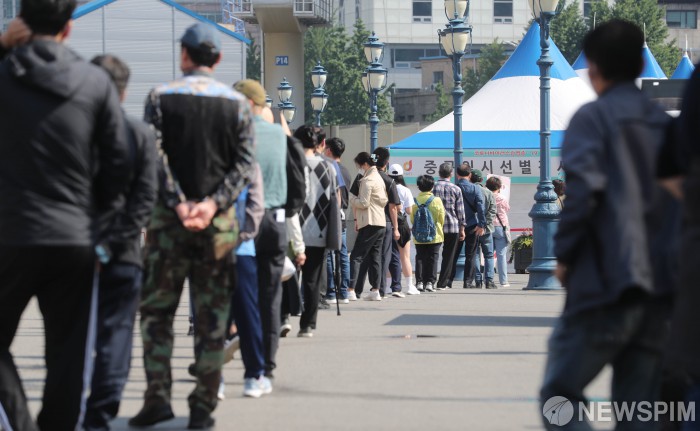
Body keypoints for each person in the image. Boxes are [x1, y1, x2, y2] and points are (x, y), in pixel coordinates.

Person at [0, 1, 130, 429]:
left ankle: (21, 423)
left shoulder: (5, 73)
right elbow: (118, 168)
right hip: (74, 236)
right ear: (69, 28)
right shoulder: (95, 83)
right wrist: (101, 232)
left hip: (11, 233)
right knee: (68, 355)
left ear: (21, 21)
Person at [540, 20, 674, 430]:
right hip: (662, 285)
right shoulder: (666, 125)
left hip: (606, 278)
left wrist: (565, 255)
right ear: (641, 65)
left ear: (593, 67)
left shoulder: (592, 119)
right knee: (640, 409)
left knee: (559, 394)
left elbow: (584, 194)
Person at [131, 23, 255, 429]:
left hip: (168, 225)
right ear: (217, 59)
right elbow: (243, 165)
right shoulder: (238, 105)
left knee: (157, 314)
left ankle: (157, 398)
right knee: (212, 316)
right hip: (218, 226)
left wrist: (178, 201)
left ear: (184, 54)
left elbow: (154, 156)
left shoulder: (159, 97)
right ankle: (202, 406)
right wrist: (212, 203)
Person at [85, 54, 158, 431]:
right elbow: (146, 199)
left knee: (70, 336)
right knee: (117, 335)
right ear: (124, 91)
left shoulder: (70, 129)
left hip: (75, 249)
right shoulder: (141, 135)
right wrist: (114, 243)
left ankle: (73, 409)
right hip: (125, 251)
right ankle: (100, 412)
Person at [232, 79, 288, 381]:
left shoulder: (231, 133)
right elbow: (297, 179)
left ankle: (232, 342)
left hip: (240, 221)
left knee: (235, 290)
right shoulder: (280, 135)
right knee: (270, 295)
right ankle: (267, 364)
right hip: (275, 220)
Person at [228, 163, 272, 398]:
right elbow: (256, 207)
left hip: (207, 250)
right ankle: (254, 375)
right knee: (248, 314)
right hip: (241, 248)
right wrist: (243, 235)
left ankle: (213, 379)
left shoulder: (199, 157)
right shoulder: (247, 163)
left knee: (209, 317)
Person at [295, 125, 337, 337]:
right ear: (320, 144)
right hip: (319, 230)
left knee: (287, 276)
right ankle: (307, 324)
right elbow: (334, 202)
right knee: (312, 280)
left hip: (292, 229)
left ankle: (283, 316)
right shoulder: (328, 167)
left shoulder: (291, 164)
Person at [348, 152, 389, 301]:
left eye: (359, 165)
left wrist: (352, 198)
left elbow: (364, 203)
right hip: (380, 222)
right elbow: (384, 200)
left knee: (356, 256)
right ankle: (375, 290)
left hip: (369, 221)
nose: (359, 168)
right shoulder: (379, 178)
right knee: (375, 257)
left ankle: (351, 289)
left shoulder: (367, 180)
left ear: (365, 164)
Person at [324, 137, 352, 304]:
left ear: (328, 150)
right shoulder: (346, 171)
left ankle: (331, 292)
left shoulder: (329, 168)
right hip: (342, 216)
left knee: (328, 254)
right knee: (342, 254)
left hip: (330, 214)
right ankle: (344, 292)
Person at [432, 162, 466, 290]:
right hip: (452, 226)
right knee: (449, 256)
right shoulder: (456, 189)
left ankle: (430, 281)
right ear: (451, 174)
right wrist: (462, 228)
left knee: (433, 254)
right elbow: (460, 211)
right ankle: (442, 283)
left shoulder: (432, 187)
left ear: (439, 172)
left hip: (435, 226)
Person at [388, 164, 420, 295]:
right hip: (402, 224)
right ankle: (409, 286)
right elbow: (409, 210)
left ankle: (388, 285)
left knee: (389, 257)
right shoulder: (405, 190)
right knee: (404, 257)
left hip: (387, 223)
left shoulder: (386, 187)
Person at [411, 175, 446, 292]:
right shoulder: (437, 200)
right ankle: (430, 282)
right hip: (435, 235)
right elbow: (441, 218)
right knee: (433, 258)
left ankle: (419, 282)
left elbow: (412, 219)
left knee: (420, 257)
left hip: (419, 235)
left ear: (418, 187)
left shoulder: (415, 201)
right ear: (432, 186)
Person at [455, 163, 486, 289]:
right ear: (470, 174)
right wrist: (481, 224)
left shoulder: (454, 187)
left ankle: (448, 280)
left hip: (456, 225)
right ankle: (468, 282)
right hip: (472, 224)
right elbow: (480, 207)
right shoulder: (475, 188)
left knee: (453, 254)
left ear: (457, 174)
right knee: (471, 255)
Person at [467, 169, 496, 289]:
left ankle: (477, 280)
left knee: (475, 254)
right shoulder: (488, 192)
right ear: (481, 179)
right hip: (486, 229)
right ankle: (489, 280)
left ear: (470, 178)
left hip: (472, 227)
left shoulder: (468, 192)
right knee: (489, 255)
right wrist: (484, 225)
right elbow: (492, 211)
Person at [486, 176, 510, 288]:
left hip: (489, 226)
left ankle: (488, 279)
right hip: (501, 226)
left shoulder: (486, 196)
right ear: (499, 187)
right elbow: (507, 209)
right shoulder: (502, 198)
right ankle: (503, 281)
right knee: (501, 255)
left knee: (489, 255)